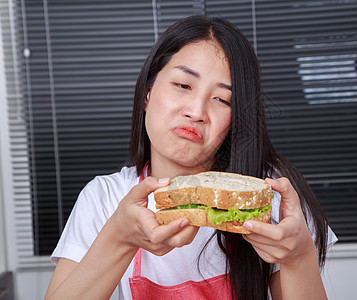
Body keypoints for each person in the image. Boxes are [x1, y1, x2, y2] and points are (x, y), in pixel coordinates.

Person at [45, 15, 337, 300]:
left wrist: (299, 256)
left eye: (222, 100)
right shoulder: (103, 198)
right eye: (184, 85)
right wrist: (119, 238)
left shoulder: (269, 199)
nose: (197, 112)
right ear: (147, 93)